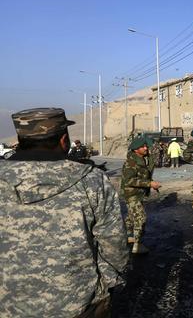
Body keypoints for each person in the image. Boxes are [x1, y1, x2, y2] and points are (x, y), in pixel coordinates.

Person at [0, 108, 128, 316]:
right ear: (63, 140)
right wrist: (106, 285)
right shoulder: (92, 181)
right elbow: (114, 242)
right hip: (79, 303)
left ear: (20, 138)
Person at [121, 137, 161, 254]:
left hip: (139, 193)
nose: (145, 148)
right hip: (131, 193)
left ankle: (129, 236)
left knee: (130, 216)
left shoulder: (144, 159)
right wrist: (149, 184)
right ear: (135, 150)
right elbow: (129, 180)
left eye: (146, 146)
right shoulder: (131, 162)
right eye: (142, 146)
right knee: (141, 218)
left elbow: (149, 168)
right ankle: (137, 246)